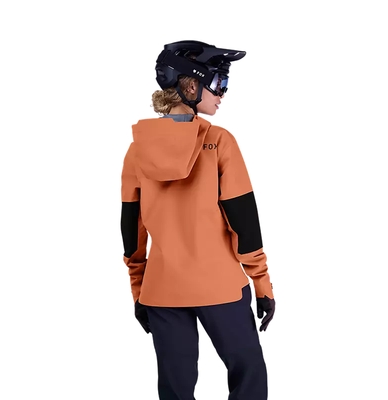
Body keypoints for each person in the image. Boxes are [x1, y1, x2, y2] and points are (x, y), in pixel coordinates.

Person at [120, 40, 276, 400]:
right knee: (249, 374)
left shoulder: (136, 149)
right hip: (219, 286)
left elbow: (132, 229)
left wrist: (139, 290)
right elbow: (244, 223)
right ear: (191, 86)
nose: (223, 94)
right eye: (219, 83)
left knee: (175, 390)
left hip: (162, 290)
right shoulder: (220, 142)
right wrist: (262, 285)